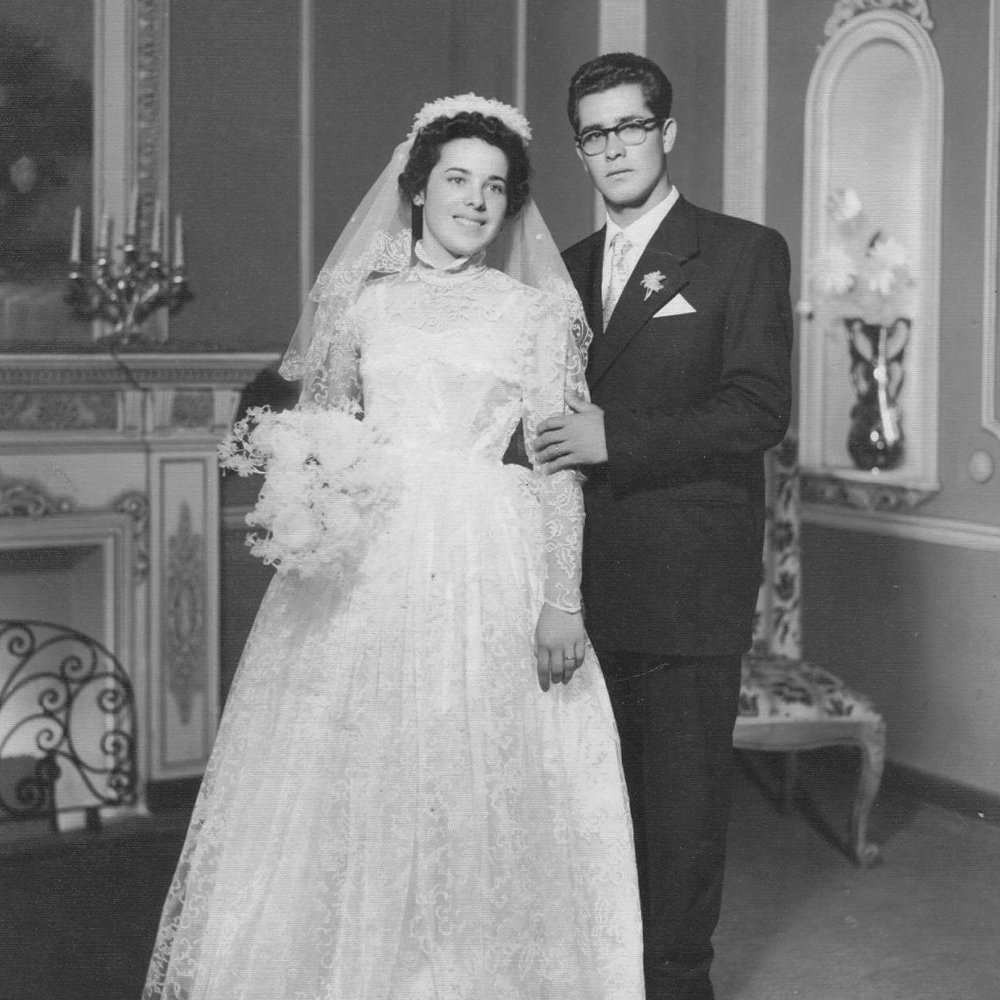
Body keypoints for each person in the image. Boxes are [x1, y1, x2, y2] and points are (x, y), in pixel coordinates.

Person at [142, 95, 644, 1000]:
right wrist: (304, 503)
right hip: (371, 558)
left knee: (480, 772)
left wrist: (561, 599)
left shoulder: (534, 315)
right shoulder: (362, 306)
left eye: (495, 186)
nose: (476, 201)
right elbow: (322, 431)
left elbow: (557, 467)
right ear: (417, 190)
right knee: (357, 771)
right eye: (457, 180)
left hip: (489, 552)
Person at [535, 53, 793, 1000]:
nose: (615, 148)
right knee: (591, 819)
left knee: (681, 828)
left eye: (631, 126)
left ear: (667, 132)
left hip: (687, 591)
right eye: (595, 134)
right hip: (582, 593)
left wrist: (619, 437)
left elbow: (758, 410)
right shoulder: (557, 273)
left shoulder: (741, 251)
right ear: (579, 150)